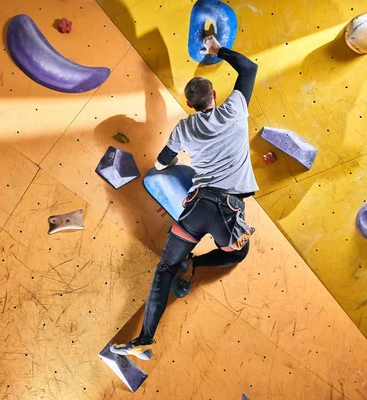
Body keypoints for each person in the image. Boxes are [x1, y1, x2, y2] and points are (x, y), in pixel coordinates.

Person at [110, 36, 259, 360]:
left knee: (164, 268)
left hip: (196, 207)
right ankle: (197, 263)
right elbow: (249, 68)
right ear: (215, 97)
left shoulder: (183, 129)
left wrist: (172, 163)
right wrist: (217, 49)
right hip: (227, 211)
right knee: (237, 253)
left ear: (190, 106)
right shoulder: (235, 108)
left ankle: (145, 337)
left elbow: (163, 162)